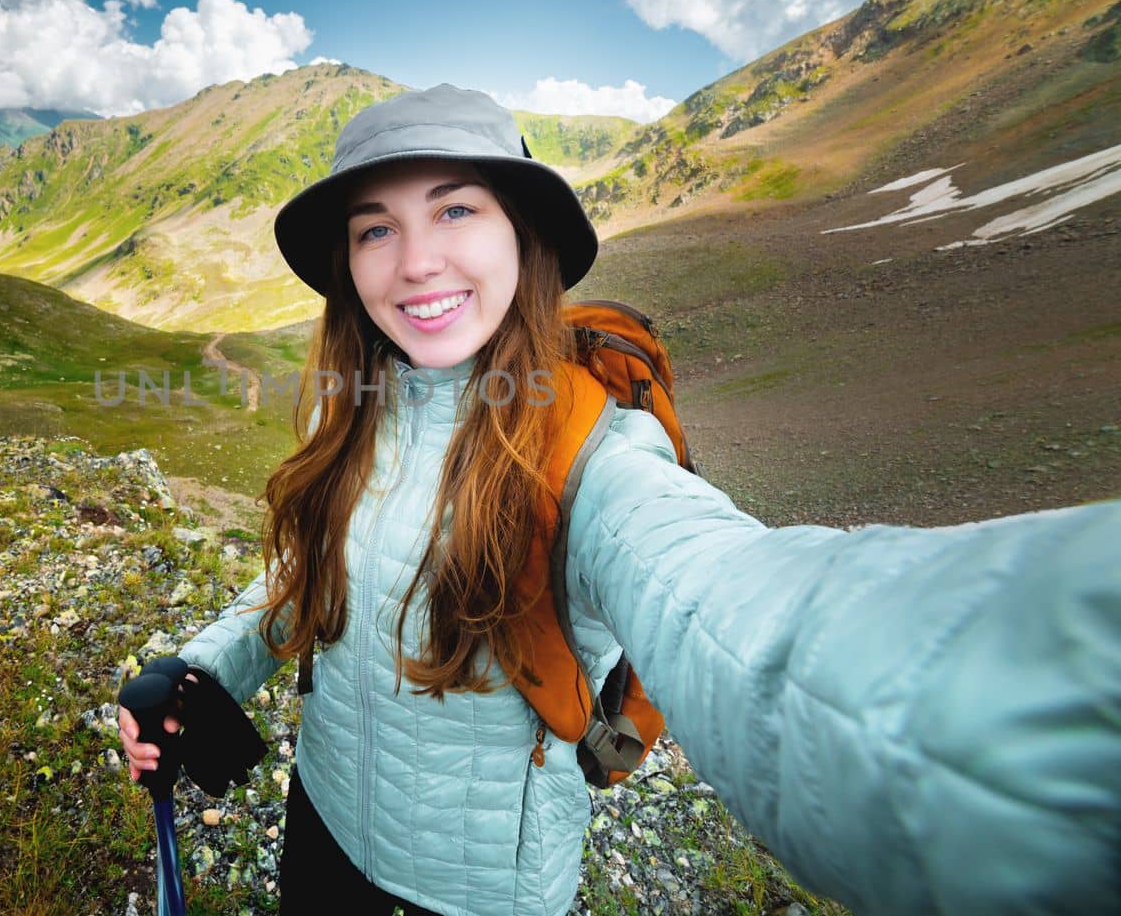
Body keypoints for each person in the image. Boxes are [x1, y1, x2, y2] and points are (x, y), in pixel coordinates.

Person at [117, 83, 1120, 915]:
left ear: (525, 239)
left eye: (456, 210)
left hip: (476, 896)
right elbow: (315, 577)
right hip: (323, 828)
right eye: (375, 228)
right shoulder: (366, 404)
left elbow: (729, 607)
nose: (415, 262)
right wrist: (202, 666)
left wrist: (1019, 711)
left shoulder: (596, 451)